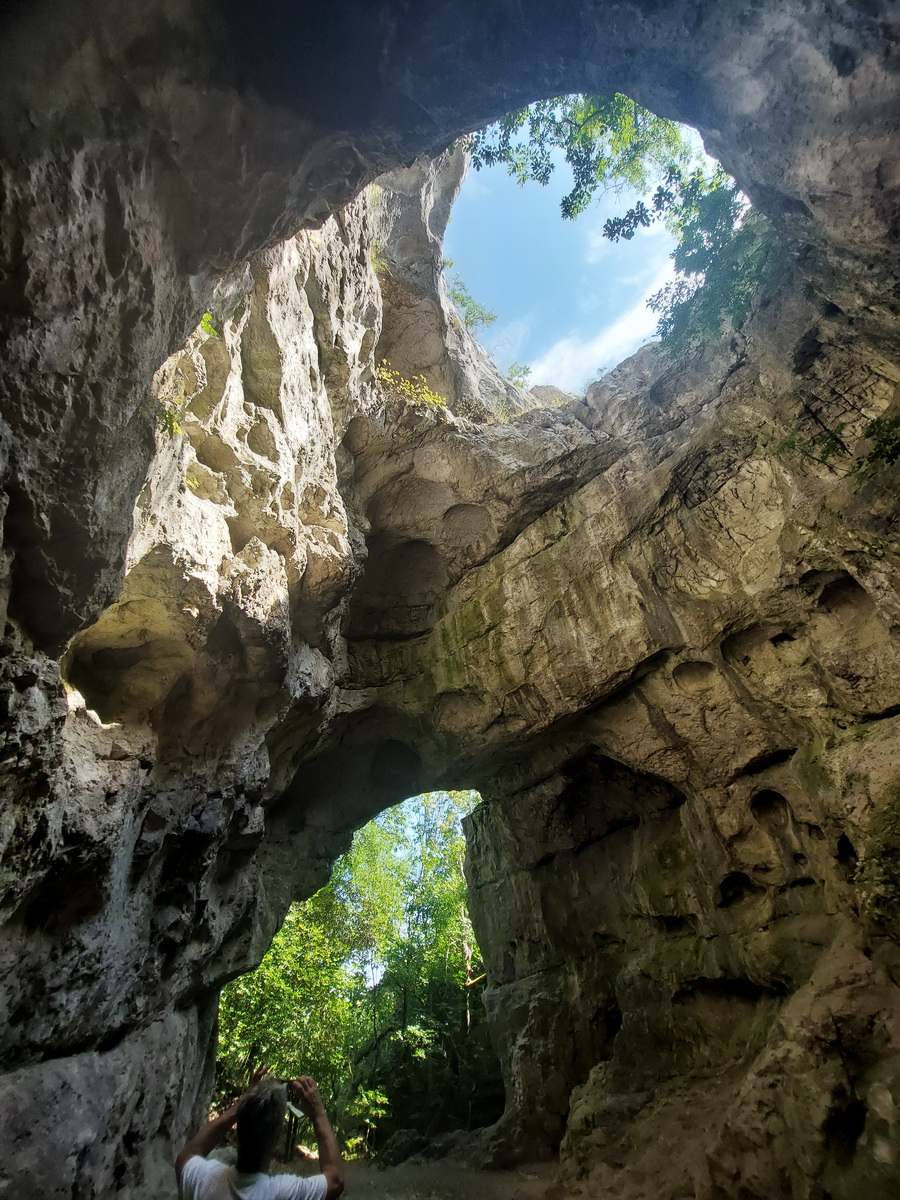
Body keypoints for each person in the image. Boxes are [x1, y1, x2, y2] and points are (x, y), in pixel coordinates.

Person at [176, 1071, 344, 1200]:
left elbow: (188, 1154)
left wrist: (243, 1103)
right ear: (276, 1139)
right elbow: (335, 1181)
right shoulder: (282, 1192)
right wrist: (318, 1113)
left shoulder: (202, 1179)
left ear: (238, 1130)